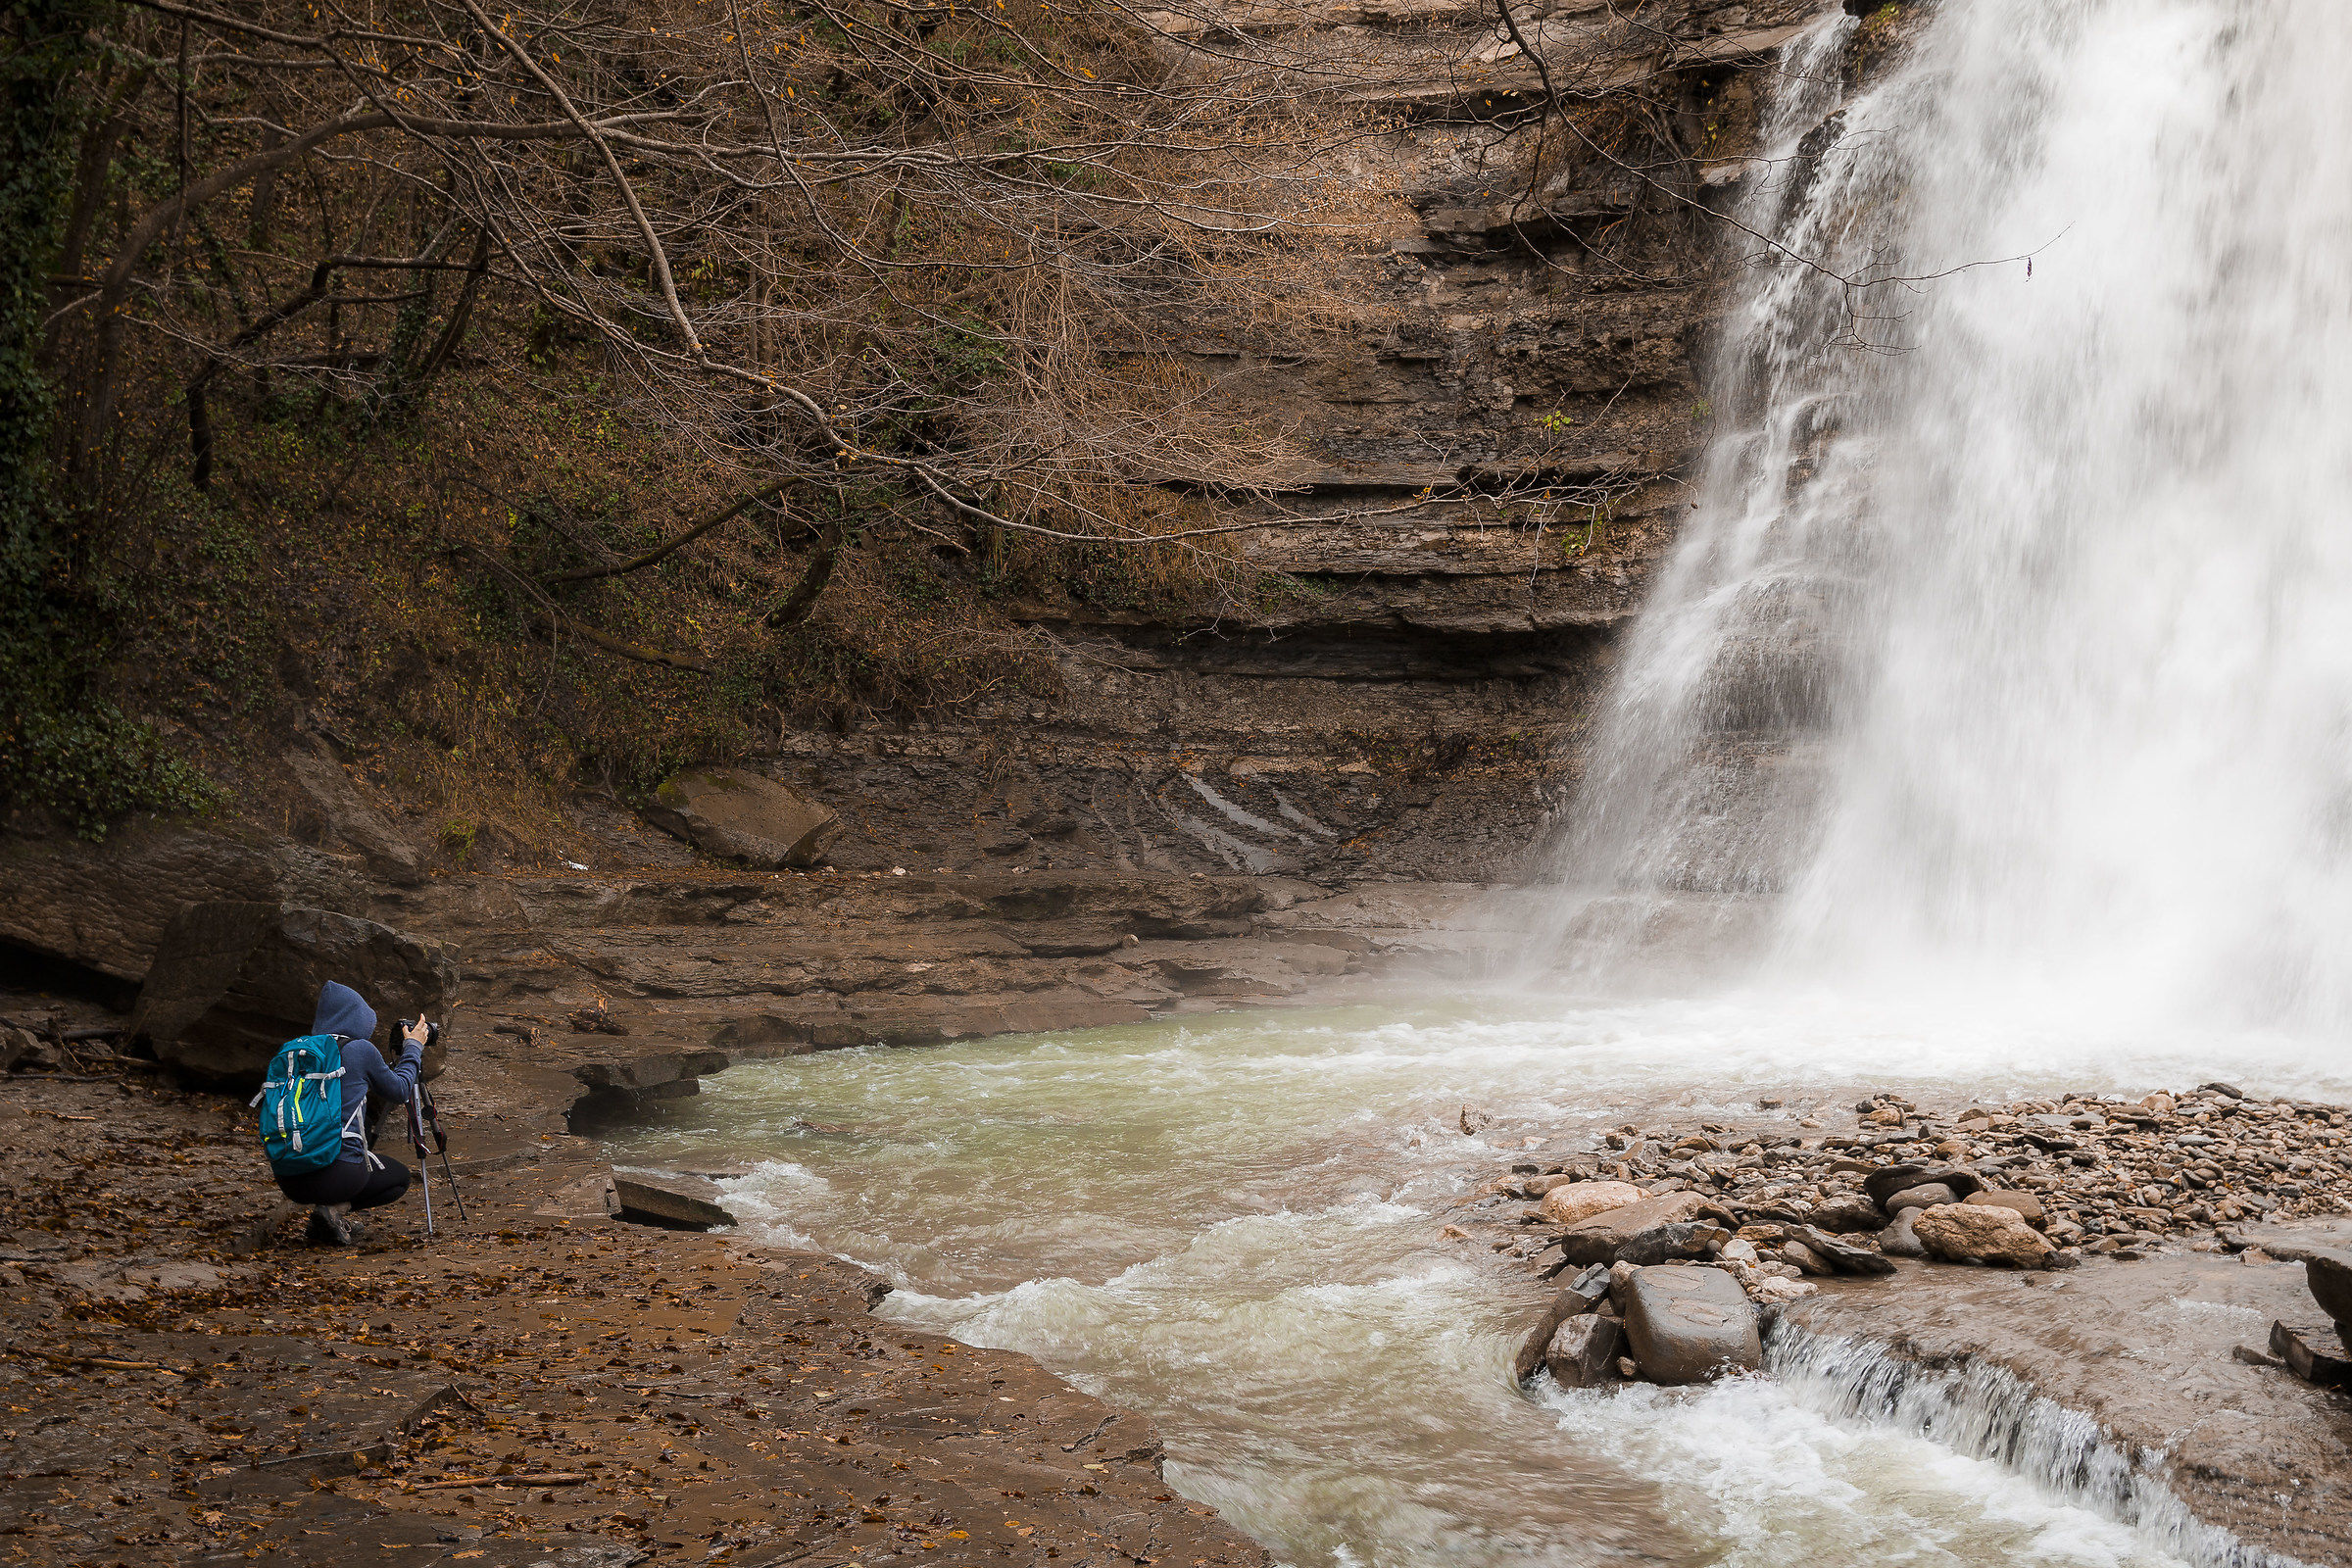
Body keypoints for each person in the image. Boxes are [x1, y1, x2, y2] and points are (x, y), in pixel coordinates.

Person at [274, 980, 428, 1245]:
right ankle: (333, 1210)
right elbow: (402, 1089)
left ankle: (326, 1216)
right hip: (339, 1176)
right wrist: (413, 1047)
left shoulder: (295, 1051)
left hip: (289, 1177)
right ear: (358, 1019)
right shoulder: (359, 1049)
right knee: (399, 1178)